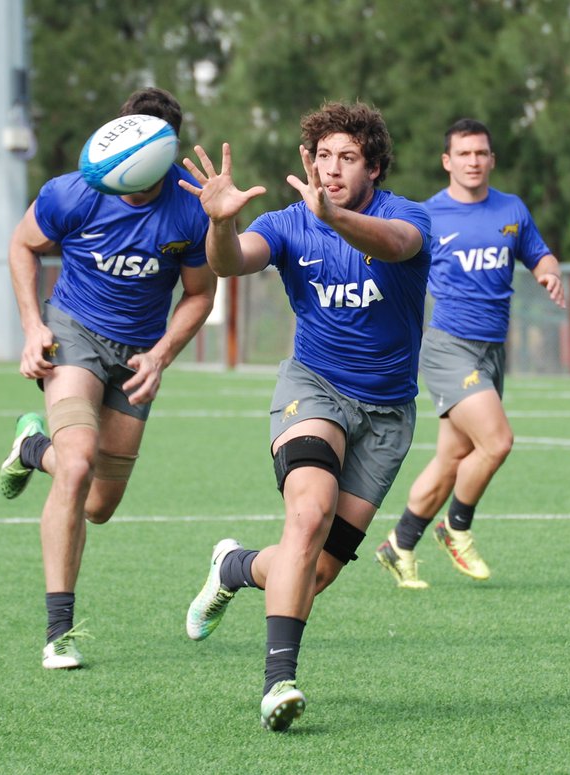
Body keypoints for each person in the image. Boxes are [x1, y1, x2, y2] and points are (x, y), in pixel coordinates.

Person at [177, 101, 431, 731]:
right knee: (308, 513)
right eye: (323, 157)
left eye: (348, 157)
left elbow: (399, 246)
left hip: (388, 414)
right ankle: (278, 684)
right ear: (307, 162)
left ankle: (234, 567)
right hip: (313, 388)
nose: (334, 168)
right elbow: (231, 261)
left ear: (373, 166)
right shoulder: (289, 223)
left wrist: (337, 218)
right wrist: (219, 225)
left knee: (313, 570)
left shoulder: (407, 216)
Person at [0, 87, 216, 669]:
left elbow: (200, 294)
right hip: (74, 332)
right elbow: (23, 246)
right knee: (76, 464)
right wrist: (30, 326)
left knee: (98, 504)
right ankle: (58, 632)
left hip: (140, 351)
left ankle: (30, 445)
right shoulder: (74, 191)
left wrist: (163, 353)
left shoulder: (190, 208)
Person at [374, 118, 565, 590]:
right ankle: (454, 527)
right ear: (447, 162)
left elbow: (540, 253)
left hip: (493, 351)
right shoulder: (428, 215)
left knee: (452, 459)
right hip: (447, 348)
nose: (473, 161)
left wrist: (548, 271)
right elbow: (389, 263)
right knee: (497, 442)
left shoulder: (512, 210)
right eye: (464, 154)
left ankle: (399, 544)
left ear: (491, 159)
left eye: (481, 153)